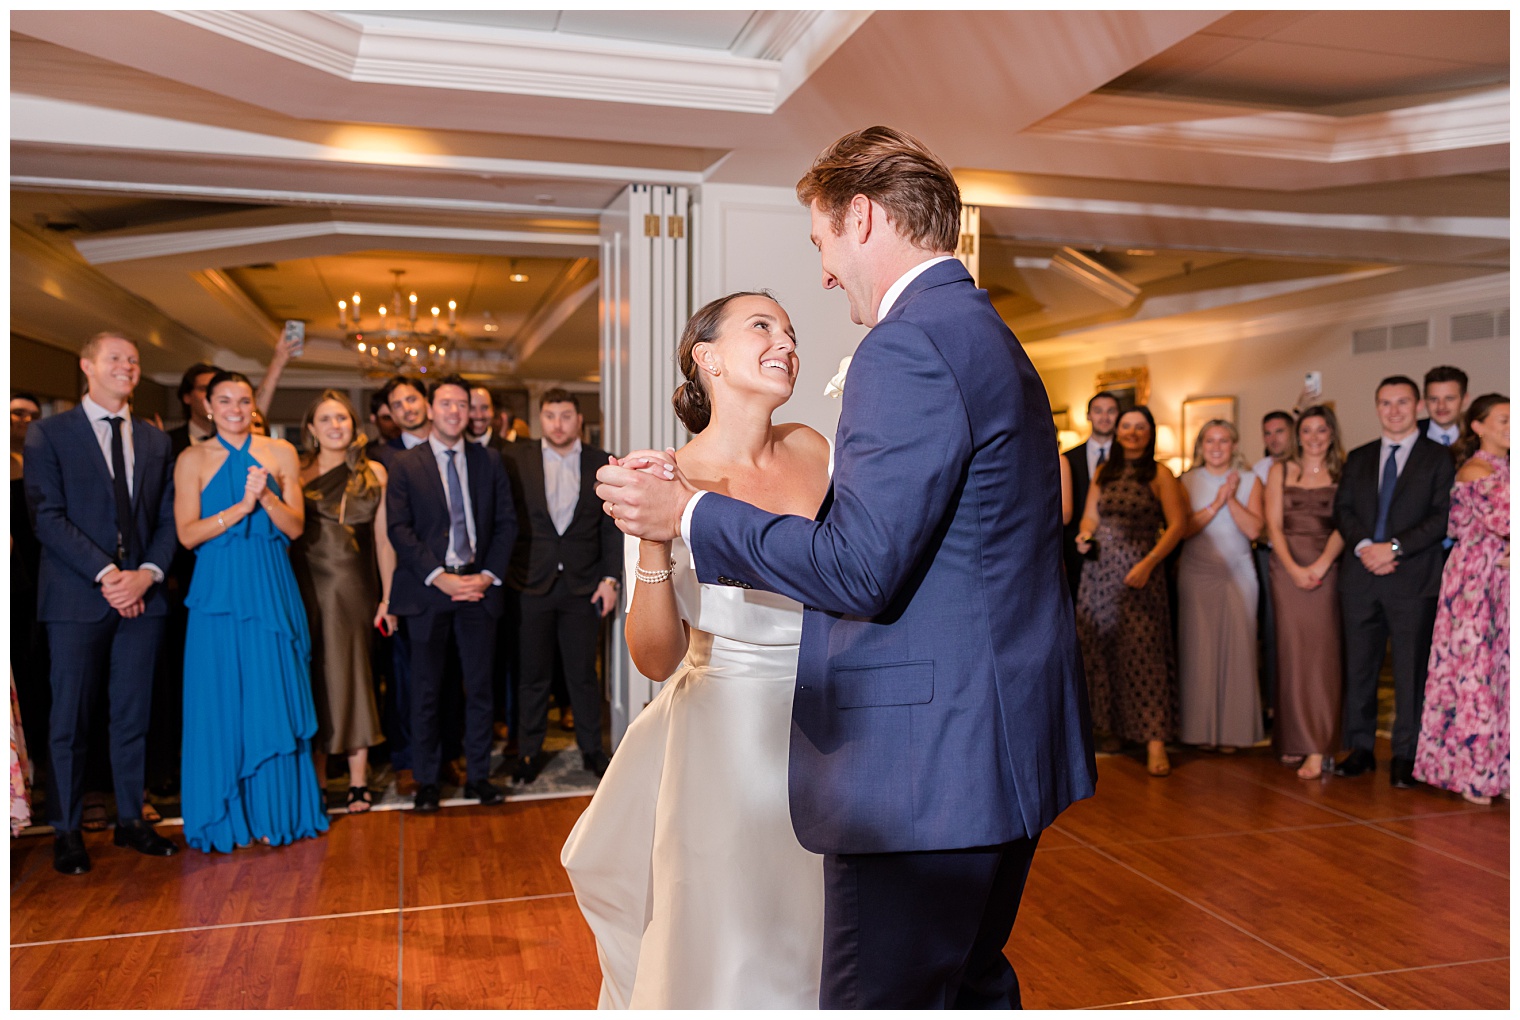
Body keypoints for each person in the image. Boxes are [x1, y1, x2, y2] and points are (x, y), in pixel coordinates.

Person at [596, 125, 1096, 1009]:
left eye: (822, 243)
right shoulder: (989, 336)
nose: (823, 274)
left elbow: (861, 568)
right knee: (965, 987)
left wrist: (695, 515)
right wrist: (665, 529)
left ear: (861, 217)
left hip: (916, 769)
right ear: (704, 359)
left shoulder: (904, 348)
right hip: (980, 748)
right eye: (766, 322)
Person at [562, 291, 828, 1007]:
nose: (786, 341)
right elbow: (654, 659)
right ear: (706, 358)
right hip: (727, 736)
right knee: (733, 933)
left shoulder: (814, 449)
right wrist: (652, 537)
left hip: (831, 720)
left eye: (791, 329)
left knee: (821, 925)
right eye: (763, 326)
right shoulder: (660, 477)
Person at [24, 332, 181, 873]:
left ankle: (131, 821)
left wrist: (146, 576)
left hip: (143, 598)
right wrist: (111, 575)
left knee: (132, 716)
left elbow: (166, 521)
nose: (127, 367)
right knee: (69, 720)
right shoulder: (49, 434)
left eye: (134, 360)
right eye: (116, 358)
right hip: (76, 599)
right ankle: (66, 830)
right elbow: (46, 517)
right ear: (87, 365)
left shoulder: (155, 441)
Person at [174, 370, 328, 852]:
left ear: (253, 406)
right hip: (217, 594)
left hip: (269, 587)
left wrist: (265, 497)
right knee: (219, 700)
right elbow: (187, 534)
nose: (236, 409)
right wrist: (239, 508)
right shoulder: (192, 458)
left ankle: (275, 811)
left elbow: (296, 527)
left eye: (244, 400)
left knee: (272, 694)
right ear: (208, 406)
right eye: (225, 400)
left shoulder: (280, 453)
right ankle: (226, 813)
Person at [385, 374, 515, 812]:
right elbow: (398, 530)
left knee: (479, 689)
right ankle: (427, 779)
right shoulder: (405, 464)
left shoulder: (489, 460)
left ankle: (478, 776)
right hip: (429, 592)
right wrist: (439, 575)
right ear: (430, 408)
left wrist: (488, 575)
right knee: (426, 691)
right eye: (446, 404)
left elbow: (505, 524)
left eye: (462, 405)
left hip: (479, 587)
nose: (455, 412)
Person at [1333, 376, 1455, 787]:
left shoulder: (1438, 458)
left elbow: (1441, 517)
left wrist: (1395, 549)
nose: (1394, 410)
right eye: (1386, 403)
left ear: (1417, 406)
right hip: (1361, 577)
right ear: (1377, 407)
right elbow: (1343, 510)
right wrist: (1368, 546)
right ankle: (1361, 748)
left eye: (1402, 402)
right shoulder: (1359, 456)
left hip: (1412, 579)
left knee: (1409, 672)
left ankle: (1406, 754)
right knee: (1360, 669)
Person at [503, 389, 621, 782]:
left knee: (583, 674)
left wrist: (610, 579)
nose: (557, 424)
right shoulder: (515, 459)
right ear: (541, 419)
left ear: (578, 420)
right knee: (531, 675)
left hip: (583, 585)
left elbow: (611, 528)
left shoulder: (601, 462)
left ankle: (592, 749)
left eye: (565, 415)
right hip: (529, 583)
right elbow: (505, 521)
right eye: (550, 416)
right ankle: (529, 752)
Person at [289, 391, 395, 813]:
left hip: (354, 588)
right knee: (310, 677)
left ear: (354, 426)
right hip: (302, 586)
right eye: (326, 419)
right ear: (311, 428)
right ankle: (315, 779)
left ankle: (357, 779)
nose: (336, 426)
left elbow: (383, 541)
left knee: (353, 676)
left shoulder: (376, 473)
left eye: (343, 419)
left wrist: (388, 596)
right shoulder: (295, 472)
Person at [1074, 405, 1189, 776]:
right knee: (1102, 652)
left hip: (1140, 574)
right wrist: (1085, 534)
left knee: (1145, 655)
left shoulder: (1160, 473)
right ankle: (1115, 732)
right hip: (1099, 574)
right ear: (1118, 432)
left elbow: (1176, 526)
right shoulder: (1104, 471)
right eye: (1127, 426)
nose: (1132, 433)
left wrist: (1148, 563)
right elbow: (1091, 514)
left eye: (1140, 427)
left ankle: (1155, 742)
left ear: (1150, 433)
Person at [1415, 394, 1509, 804]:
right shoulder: (1476, 468)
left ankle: (1502, 772)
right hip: (1475, 580)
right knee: (1475, 671)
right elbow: (1506, 520)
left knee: (1503, 674)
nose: (1512, 426)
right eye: (1504, 420)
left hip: (1503, 579)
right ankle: (1473, 773)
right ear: (1478, 426)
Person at [1265, 406, 1347, 780]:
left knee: (1323, 656)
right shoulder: (1280, 470)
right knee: (1291, 654)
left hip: (1327, 567)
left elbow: (1348, 523)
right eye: (1307, 430)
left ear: (1331, 433)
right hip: (1286, 569)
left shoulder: (1344, 470)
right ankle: (1292, 738)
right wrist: (1294, 569)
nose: (1314, 437)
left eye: (1321, 430)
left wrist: (1321, 565)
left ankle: (1319, 746)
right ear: (1298, 435)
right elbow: (1273, 527)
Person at [1177, 420, 1264, 752]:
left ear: (1234, 445)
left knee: (1238, 651)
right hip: (1197, 574)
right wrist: (1216, 500)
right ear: (1201, 445)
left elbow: (1255, 531)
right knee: (1199, 650)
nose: (1216, 447)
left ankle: (1233, 733)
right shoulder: (1186, 480)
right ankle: (1199, 731)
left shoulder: (1252, 480)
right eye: (1210, 441)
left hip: (1238, 573)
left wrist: (1231, 498)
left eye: (1223, 440)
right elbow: (1184, 530)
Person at [1252, 409, 1295, 728]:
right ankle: (1271, 705)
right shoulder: (1259, 470)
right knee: (1270, 629)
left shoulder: (1309, 463)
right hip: (1268, 556)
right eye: (1267, 433)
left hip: (1310, 555)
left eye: (1279, 431)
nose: (1273, 438)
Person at [1062, 391, 1119, 601]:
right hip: (1076, 550)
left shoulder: (1131, 458)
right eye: (1098, 411)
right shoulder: (1067, 458)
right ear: (1088, 416)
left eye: (1111, 411)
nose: (1104, 417)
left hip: (1119, 551)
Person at [167, 362, 220, 457]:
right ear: (187, 397)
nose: (211, 396)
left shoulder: (236, 440)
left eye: (217, 390)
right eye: (204, 389)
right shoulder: (168, 441)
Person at [1418, 365, 1468, 448]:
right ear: (1425, 400)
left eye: (1449, 399)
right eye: (1434, 399)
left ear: (1464, 399)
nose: (1441, 406)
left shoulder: (1478, 436)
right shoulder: (1409, 435)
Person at [467, 386, 510, 452]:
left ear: (493, 410)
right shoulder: (451, 451)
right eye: (472, 408)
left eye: (484, 408)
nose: (479, 416)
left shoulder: (511, 452)